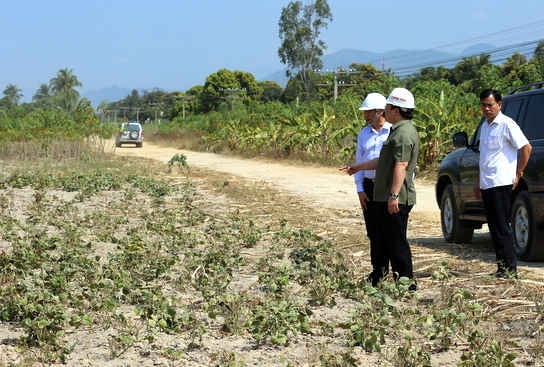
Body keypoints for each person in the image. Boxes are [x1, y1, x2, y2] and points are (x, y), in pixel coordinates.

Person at [341, 87, 419, 290]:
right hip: (377, 191)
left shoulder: (402, 133)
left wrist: (393, 195)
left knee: (396, 240)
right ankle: (382, 273)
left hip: (393, 193)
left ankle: (406, 283)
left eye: (387, 108)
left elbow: (400, 166)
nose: (385, 111)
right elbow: (381, 161)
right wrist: (357, 168)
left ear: (394, 109)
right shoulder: (396, 131)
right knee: (378, 235)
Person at [478, 89, 532, 279]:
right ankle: (502, 268)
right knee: (493, 227)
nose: (486, 109)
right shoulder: (485, 125)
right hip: (487, 184)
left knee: (502, 227)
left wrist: (519, 172)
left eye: (490, 105)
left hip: (501, 182)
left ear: (499, 105)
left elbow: (526, 147)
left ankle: (510, 269)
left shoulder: (507, 124)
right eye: (483, 105)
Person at [353, 93, 392, 286]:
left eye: (368, 112)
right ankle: (379, 270)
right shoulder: (363, 134)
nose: (365, 116)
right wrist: (360, 189)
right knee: (374, 231)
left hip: (387, 186)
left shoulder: (393, 132)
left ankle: (398, 271)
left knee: (390, 230)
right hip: (369, 186)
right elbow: (358, 163)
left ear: (379, 112)